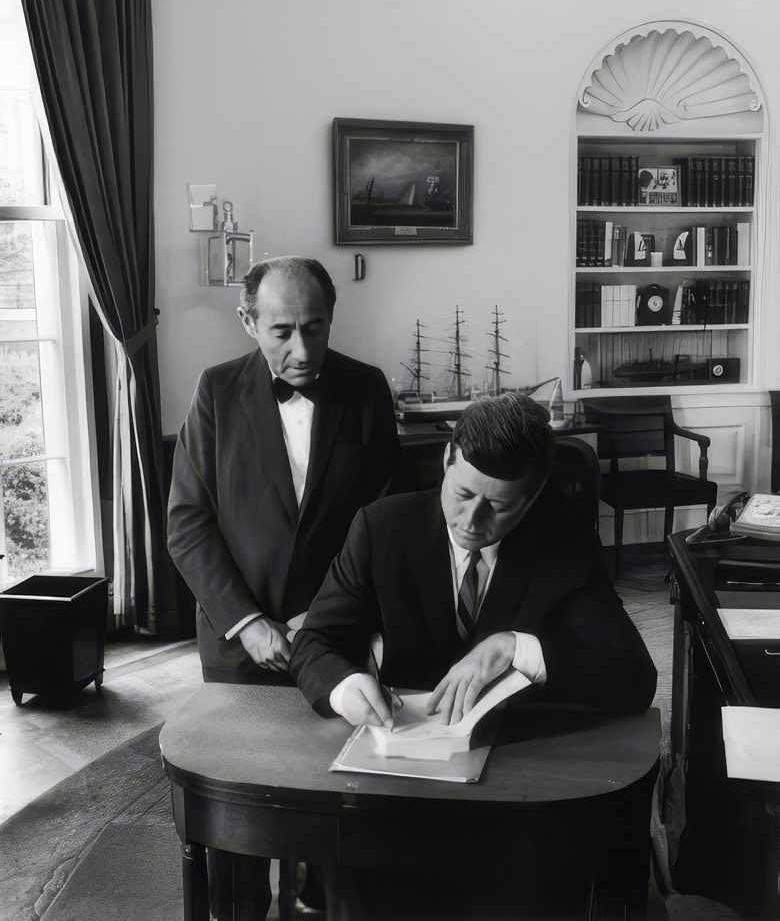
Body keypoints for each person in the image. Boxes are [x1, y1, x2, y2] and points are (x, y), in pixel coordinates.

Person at [289, 391, 657, 914]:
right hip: (404, 788)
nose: (472, 520)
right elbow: (315, 644)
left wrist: (517, 648)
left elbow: (632, 678)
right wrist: (347, 688)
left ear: (531, 499)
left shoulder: (563, 542)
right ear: (447, 461)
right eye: (462, 493)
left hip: (517, 796)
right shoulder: (381, 526)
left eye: (500, 506)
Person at [167, 255, 399, 920]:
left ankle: (321, 903)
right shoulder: (214, 392)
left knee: (337, 799)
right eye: (282, 331)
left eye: (316, 329)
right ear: (248, 321)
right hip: (240, 644)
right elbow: (187, 524)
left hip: (333, 638)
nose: (302, 349)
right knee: (240, 813)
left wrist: (323, 620)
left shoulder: (366, 388)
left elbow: (380, 519)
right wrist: (247, 621)